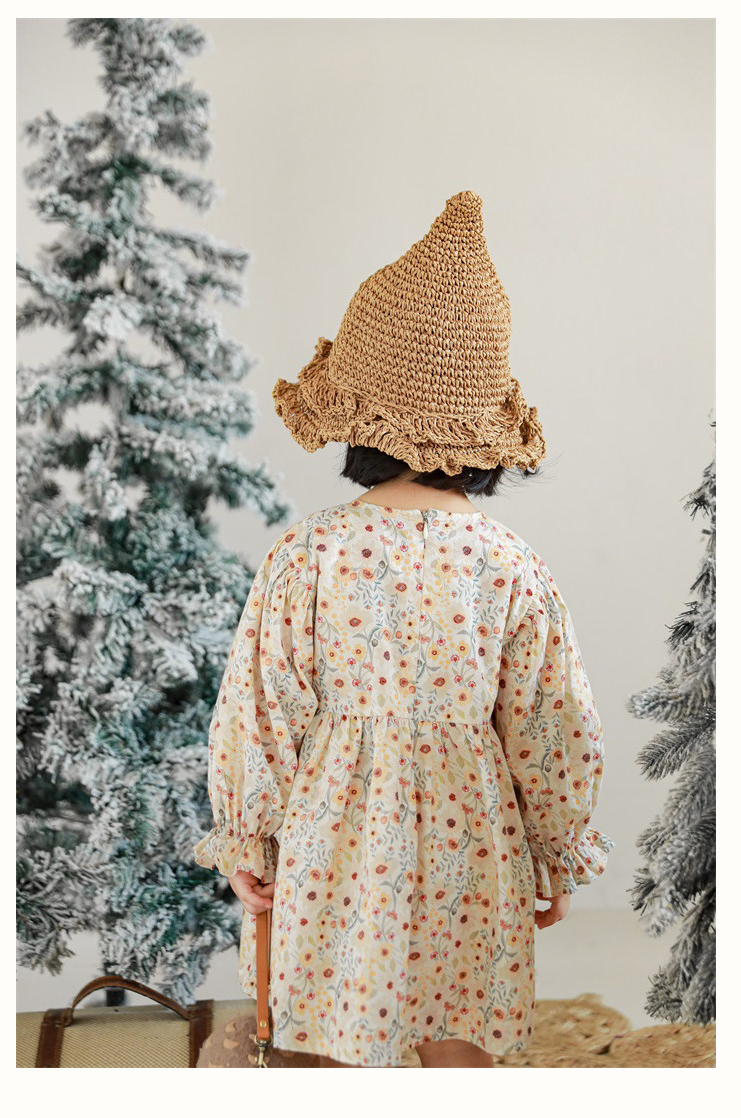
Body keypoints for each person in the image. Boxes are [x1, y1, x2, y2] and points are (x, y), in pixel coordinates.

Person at [192, 190, 615, 1069]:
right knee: (462, 1037)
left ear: (358, 418)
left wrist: (247, 836)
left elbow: (259, 709)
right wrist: (557, 848)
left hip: (334, 842)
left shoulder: (307, 556)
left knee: (327, 1033)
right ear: (484, 430)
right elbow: (552, 724)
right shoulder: (511, 564)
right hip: (474, 847)